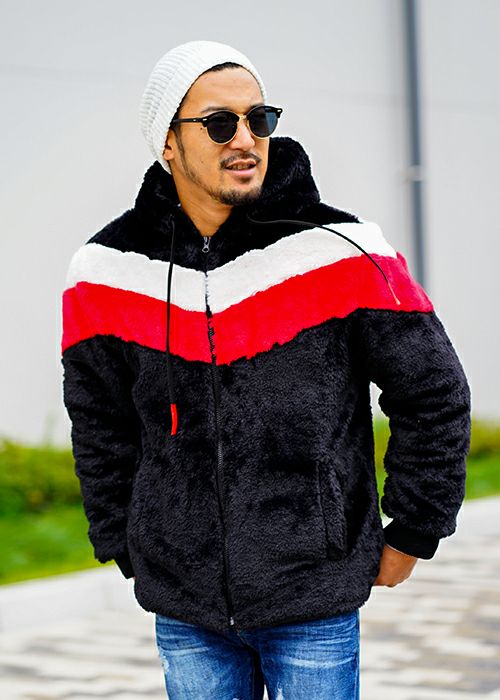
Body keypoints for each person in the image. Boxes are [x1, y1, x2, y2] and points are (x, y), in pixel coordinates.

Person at [60, 40, 471, 699]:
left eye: (260, 118)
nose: (245, 138)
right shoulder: (106, 270)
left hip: (314, 593)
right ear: (168, 142)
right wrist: (124, 540)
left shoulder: (342, 251)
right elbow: (99, 421)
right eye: (219, 123)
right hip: (184, 605)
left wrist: (414, 530)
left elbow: (434, 394)